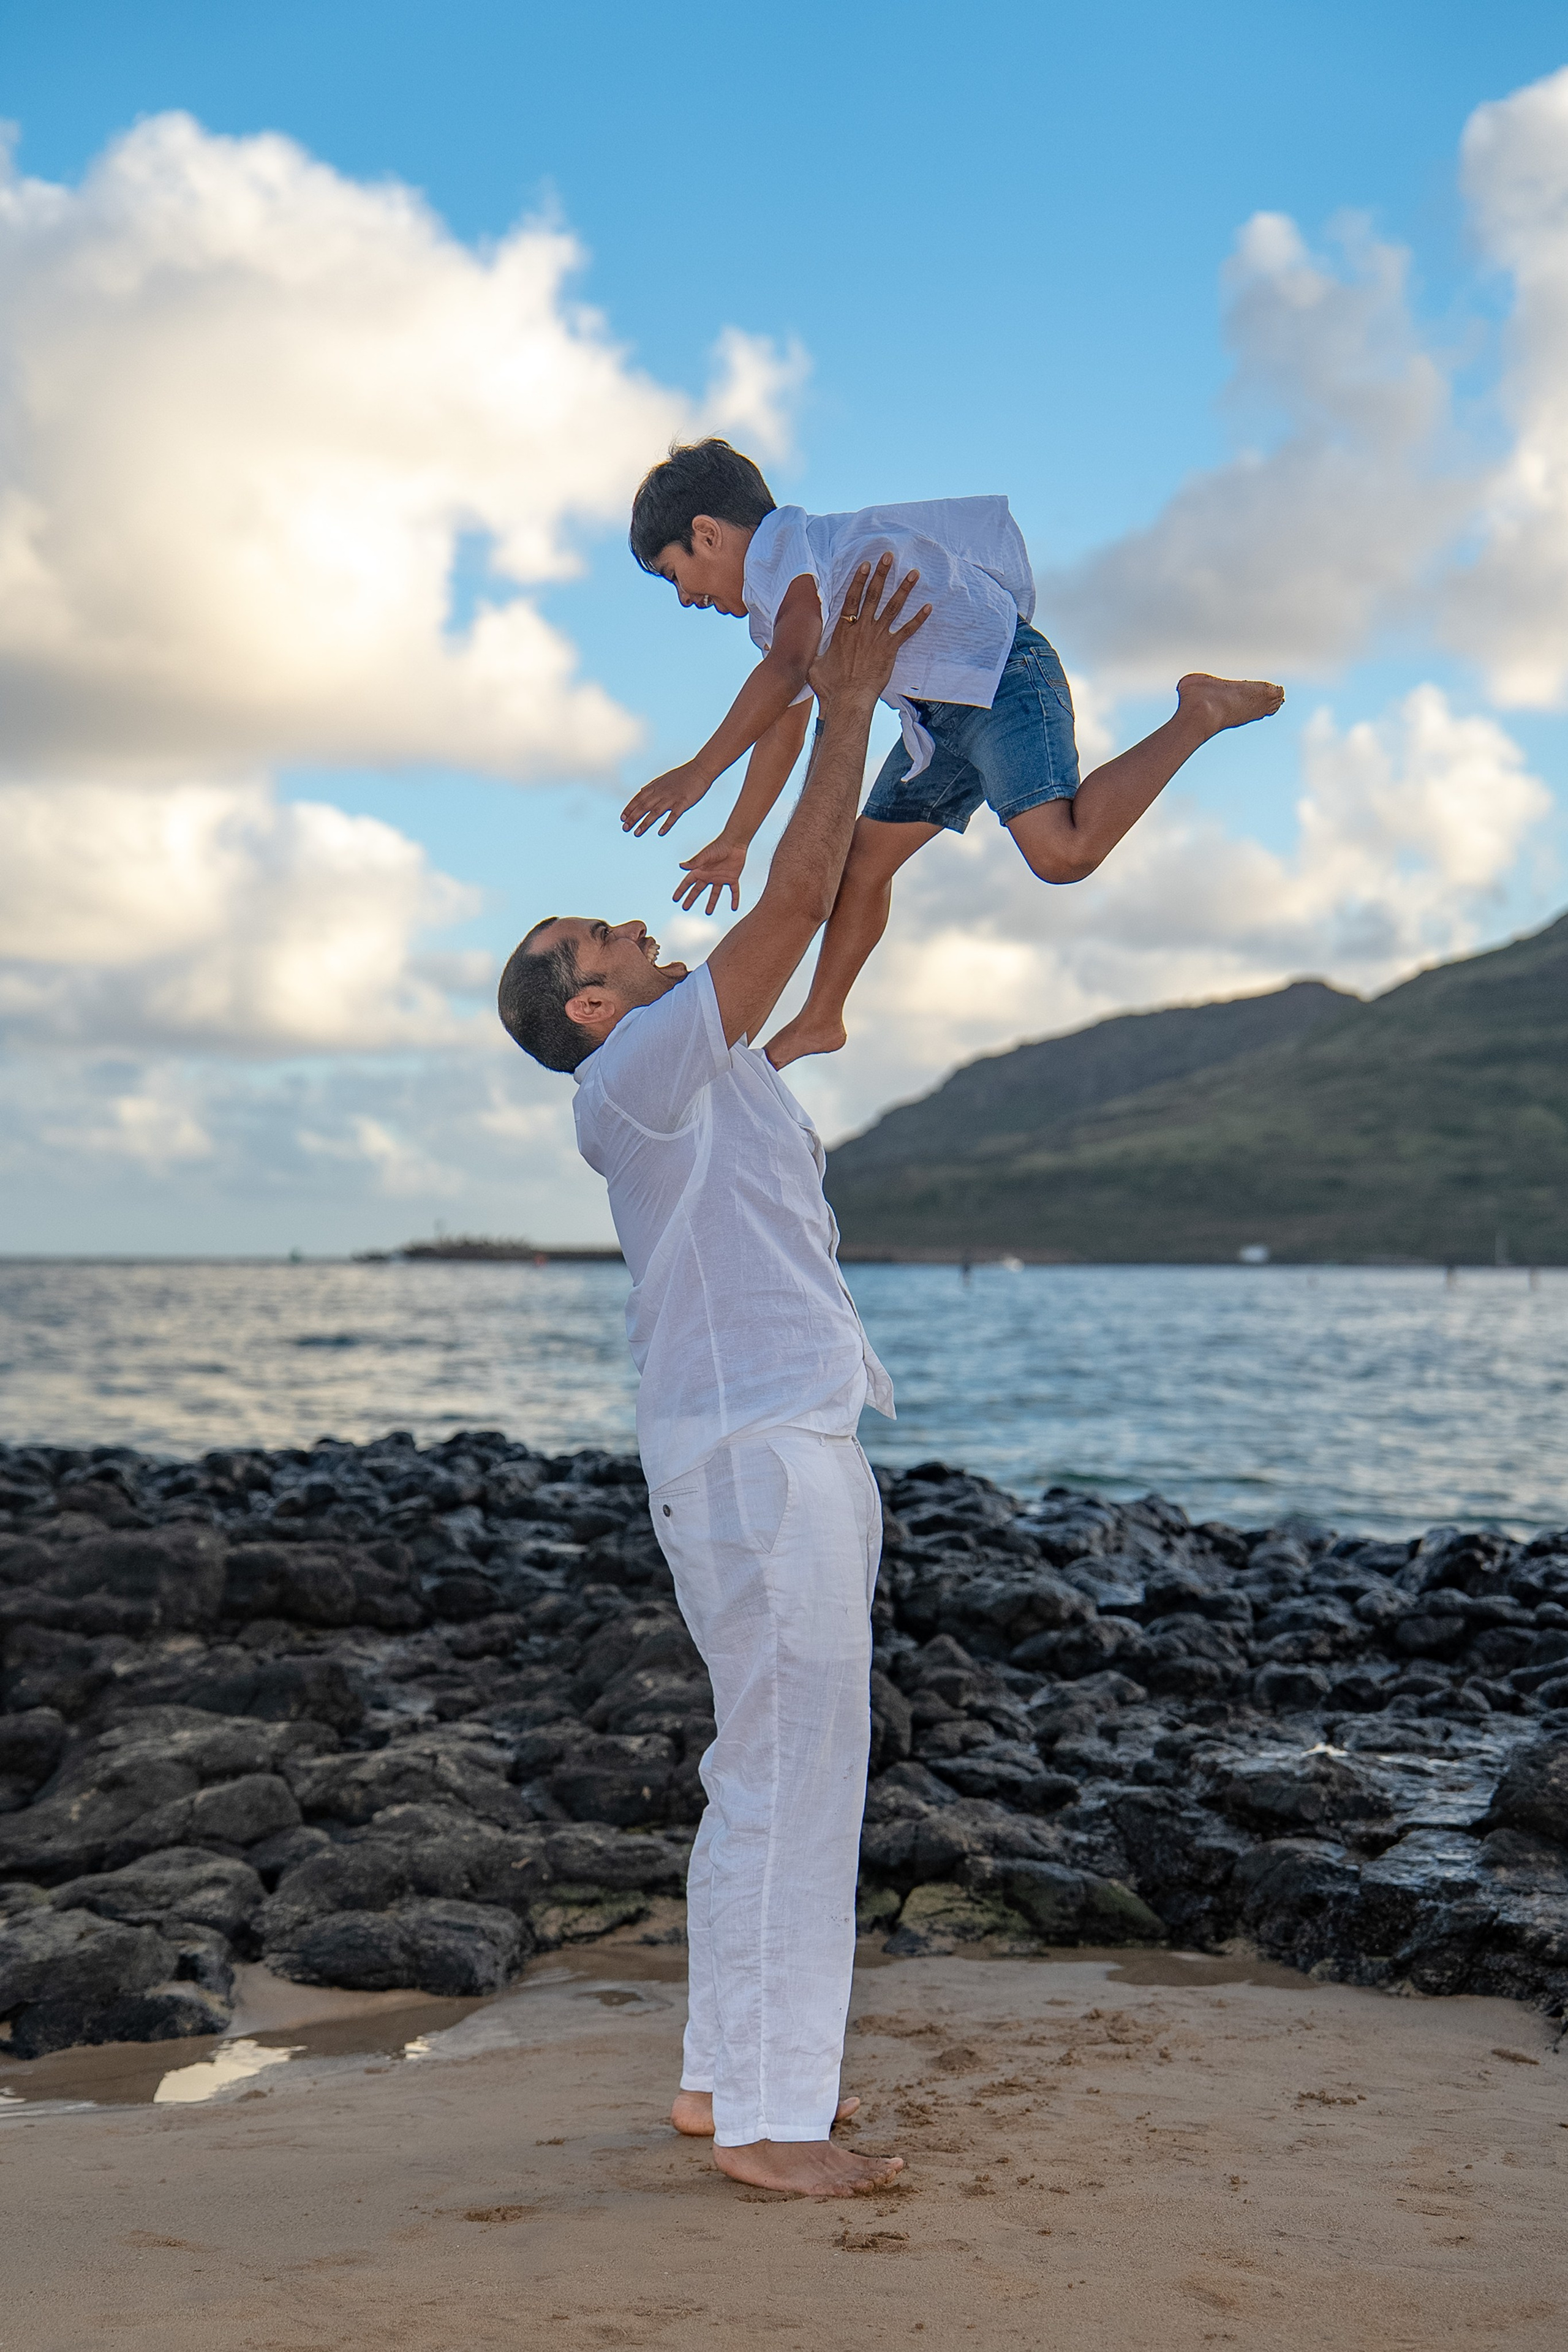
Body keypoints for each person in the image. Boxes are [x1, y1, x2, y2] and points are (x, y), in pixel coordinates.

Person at [497, 555, 930, 2196]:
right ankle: (767, 2124)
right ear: (590, 1002)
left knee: (761, 1763)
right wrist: (843, 711)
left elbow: (811, 941)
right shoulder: (645, 1067)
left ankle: (717, 2089)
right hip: (761, 1455)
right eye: (600, 930)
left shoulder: (701, 1061)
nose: (627, 918)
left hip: (753, 1442)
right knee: (801, 1774)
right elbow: (799, 899)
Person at [620, 437, 1284, 1067]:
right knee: (858, 862)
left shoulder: (787, 550)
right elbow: (785, 728)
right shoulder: (776, 603)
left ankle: (1198, 712)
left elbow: (791, 669)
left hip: (1002, 676)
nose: (686, 597)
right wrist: (739, 839)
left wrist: (699, 772)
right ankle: (823, 1016)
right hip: (936, 720)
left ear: (707, 533)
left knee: (1062, 853)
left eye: (676, 574)